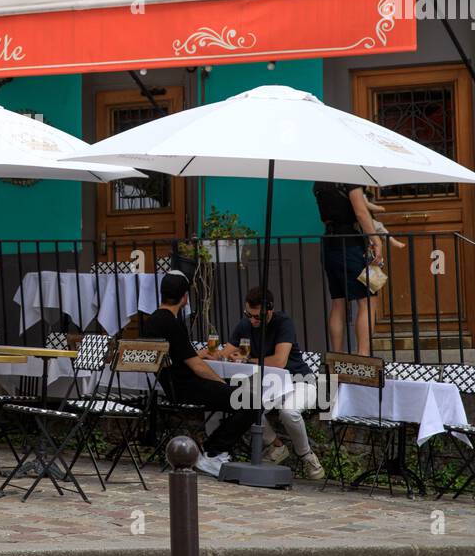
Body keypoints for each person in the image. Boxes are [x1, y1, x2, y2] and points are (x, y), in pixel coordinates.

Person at [144, 271, 258, 478]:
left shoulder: (151, 321)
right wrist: (222, 383)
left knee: (242, 389)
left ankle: (213, 447)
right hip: (187, 388)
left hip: (171, 385)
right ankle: (213, 452)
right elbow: (197, 367)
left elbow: (178, 356)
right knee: (251, 402)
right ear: (185, 297)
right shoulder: (173, 323)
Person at [222, 287, 324, 480]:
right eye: (248, 315)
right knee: (244, 402)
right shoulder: (245, 325)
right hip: (270, 384)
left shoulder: (283, 322)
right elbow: (225, 352)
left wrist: (245, 361)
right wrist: (211, 356)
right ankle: (277, 446)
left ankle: (306, 456)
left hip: (300, 380)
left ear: (269, 310)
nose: (252, 320)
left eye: (257, 317)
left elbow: (279, 361)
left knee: (289, 411)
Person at [313, 181, 383, 356]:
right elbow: (360, 212)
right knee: (367, 300)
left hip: (329, 243)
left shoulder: (320, 181)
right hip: (350, 243)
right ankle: (363, 356)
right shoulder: (349, 178)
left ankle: (336, 356)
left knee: (338, 302)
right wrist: (376, 239)